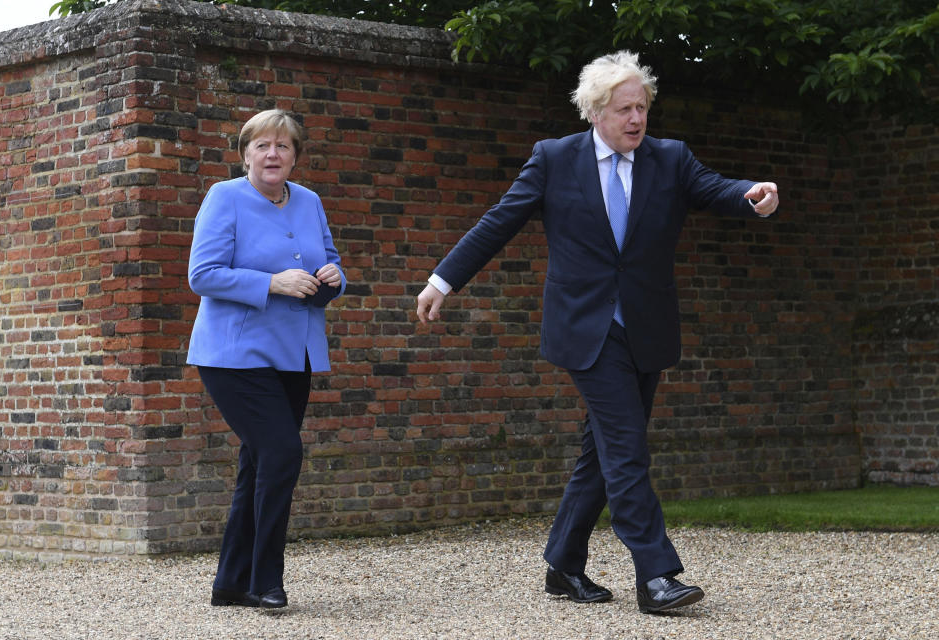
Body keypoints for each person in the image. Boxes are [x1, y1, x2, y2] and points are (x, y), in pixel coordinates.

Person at [415, 51, 778, 613]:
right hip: (586, 328)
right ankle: (656, 577)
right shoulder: (554, 159)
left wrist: (752, 192)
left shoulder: (670, 159)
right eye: (623, 108)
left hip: (647, 328)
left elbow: (714, 187)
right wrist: (443, 280)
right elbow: (500, 221)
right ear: (595, 112)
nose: (636, 118)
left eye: (642, 107)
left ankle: (562, 564)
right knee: (627, 447)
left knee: (602, 452)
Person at [187, 109, 346, 609]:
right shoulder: (224, 197)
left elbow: (330, 259)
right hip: (234, 354)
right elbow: (202, 274)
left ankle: (231, 583)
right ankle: (264, 581)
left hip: (292, 353)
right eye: (262, 145)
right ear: (245, 154)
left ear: (296, 156)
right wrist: (271, 283)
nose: (273, 154)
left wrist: (334, 278)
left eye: (283, 146)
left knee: (259, 465)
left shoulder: (310, 201)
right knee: (282, 454)